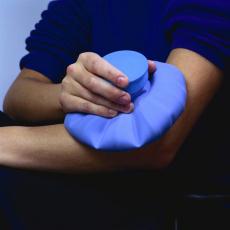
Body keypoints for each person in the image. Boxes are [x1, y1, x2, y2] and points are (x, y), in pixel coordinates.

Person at [0, 0, 229, 229]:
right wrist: (69, 94)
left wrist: (5, 143)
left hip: (165, 198)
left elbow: (155, 143)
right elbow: (18, 97)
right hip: (96, 182)